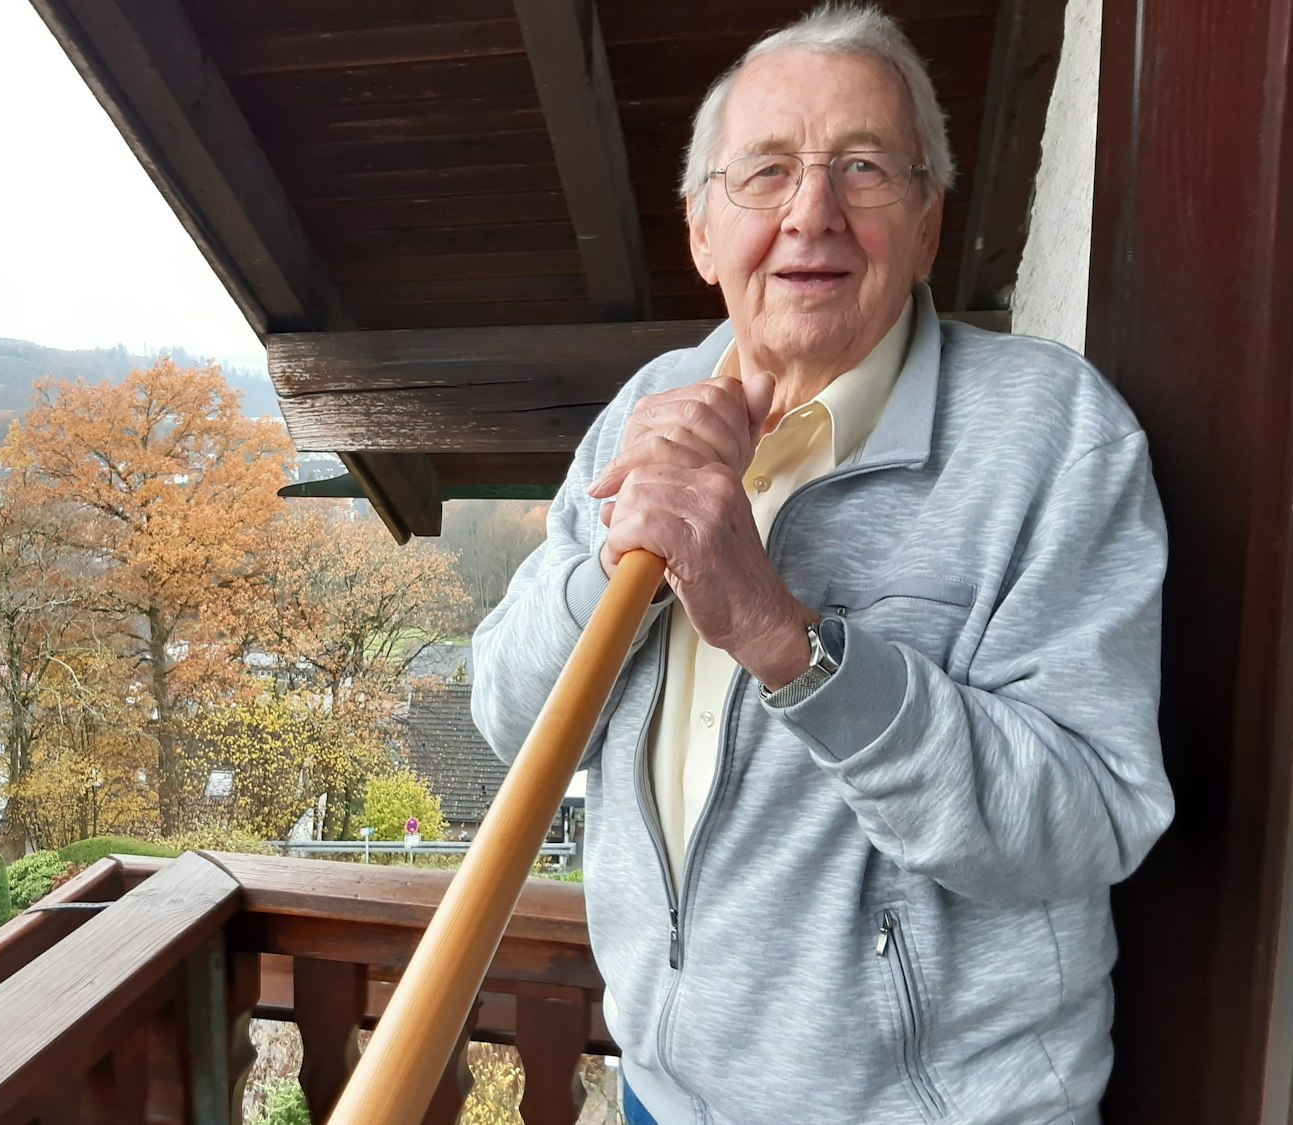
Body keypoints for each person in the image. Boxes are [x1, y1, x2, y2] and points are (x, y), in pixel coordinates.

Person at [469, 5, 1173, 1122]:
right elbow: (508, 714)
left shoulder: (1050, 437)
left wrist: (784, 642)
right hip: (664, 1095)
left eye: (862, 166)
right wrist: (609, 561)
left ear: (928, 221)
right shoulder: (638, 420)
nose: (811, 214)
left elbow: (1091, 814)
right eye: (763, 173)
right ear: (701, 230)